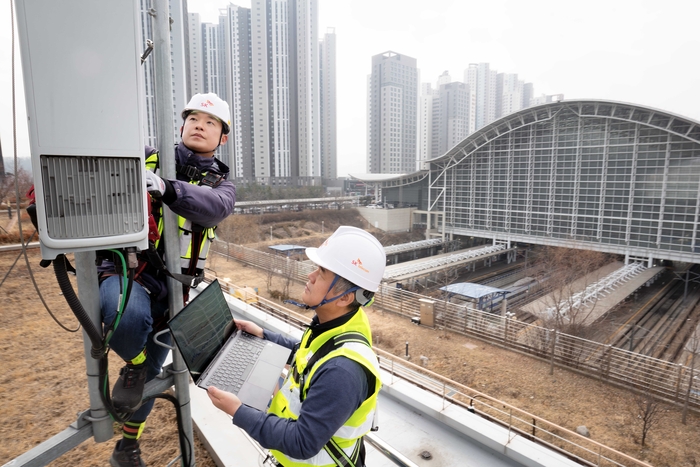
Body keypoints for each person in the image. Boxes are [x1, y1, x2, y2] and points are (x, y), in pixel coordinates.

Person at [100, 93, 236, 467]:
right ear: (181, 125)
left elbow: (212, 209)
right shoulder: (146, 158)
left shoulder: (222, 187)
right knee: (126, 318)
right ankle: (136, 365)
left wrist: (167, 188)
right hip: (130, 272)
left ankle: (128, 445)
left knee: (149, 379)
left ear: (222, 137)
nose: (199, 125)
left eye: (210, 122)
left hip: (175, 290)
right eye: (193, 118)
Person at [207, 226, 385, 467]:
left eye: (322, 272)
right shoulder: (337, 325)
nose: (310, 276)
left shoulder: (343, 372)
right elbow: (309, 354)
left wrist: (238, 411)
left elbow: (302, 442)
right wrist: (263, 335)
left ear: (345, 297)